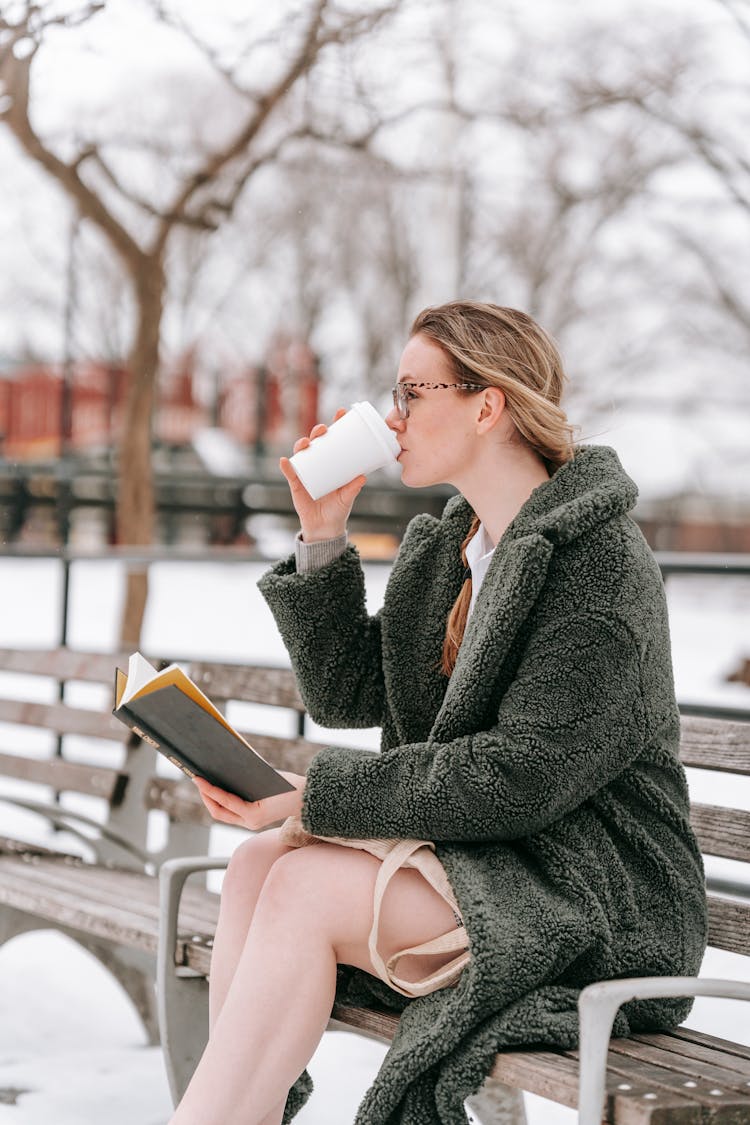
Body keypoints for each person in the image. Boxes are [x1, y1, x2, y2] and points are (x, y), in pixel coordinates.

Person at [169, 302, 707, 1125]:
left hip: (591, 894)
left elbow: (517, 777)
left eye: (413, 392)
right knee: (254, 868)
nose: (393, 417)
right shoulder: (455, 549)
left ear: (487, 405)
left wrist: (313, 797)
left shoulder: (599, 565)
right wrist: (322, 535)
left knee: (304, 887)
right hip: (486, 860)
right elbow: (350, 692)